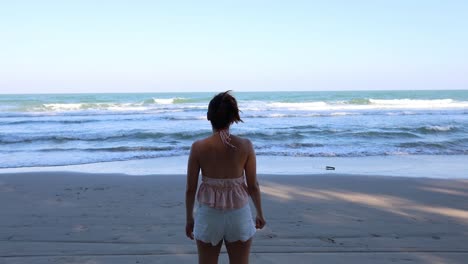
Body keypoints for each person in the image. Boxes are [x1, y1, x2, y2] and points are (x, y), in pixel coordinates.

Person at [185, 91, 266, 264]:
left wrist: (189, 218)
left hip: (209, 215)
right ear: (233, 118)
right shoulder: (245, 146)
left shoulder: (198, 147)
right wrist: (260, 212)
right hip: (239, 214)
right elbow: (253, 186)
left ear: (208, 116)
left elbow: (190, 188)